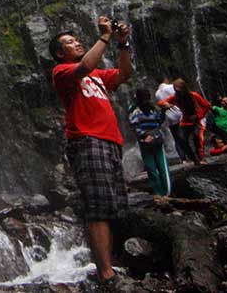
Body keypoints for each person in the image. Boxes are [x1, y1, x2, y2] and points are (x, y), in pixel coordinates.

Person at [51, 16, 132, 286]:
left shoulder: (97, 75)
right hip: (87, 140)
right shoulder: (61, 72)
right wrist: (106, 37)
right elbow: (85, 64)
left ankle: (111, 263)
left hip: (111, 140)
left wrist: (123, 44)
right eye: (69, 42)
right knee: (97, 207)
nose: (77, 43)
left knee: (112, 204)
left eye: (76, 40)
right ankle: (106, 273)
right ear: (59, 53)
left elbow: (123, 75)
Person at [158, 79, 210, 164]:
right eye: (176, 90)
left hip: (198, 120)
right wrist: (166, 104)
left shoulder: (194, 95)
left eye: (180, 90)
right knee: (182, 139)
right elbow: (161, 102)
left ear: (184, 89)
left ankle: (201, 158)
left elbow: (207, 105)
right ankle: (194, 159)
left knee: (198, 137)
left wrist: (198, 115)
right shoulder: (175, 97)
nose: (178, 93)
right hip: (185, 120)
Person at [128, 90, 170, 197]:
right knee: (152, 169)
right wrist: (144, 136)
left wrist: (163, 111)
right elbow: (134, 125)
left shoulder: (152, 109)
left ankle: (167, 193)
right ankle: (159, 194)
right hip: (145, 143)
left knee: (162, 168)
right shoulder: (134, 110)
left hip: (156, 140)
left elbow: (159, 121)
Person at [154, 76, 185, 162]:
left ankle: (182, 158)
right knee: (184, 136)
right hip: (179, 113)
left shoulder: (157, 93)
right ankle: (190, 155)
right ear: (165, 79)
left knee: (176, 139)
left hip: (170, 117)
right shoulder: (171, 87)